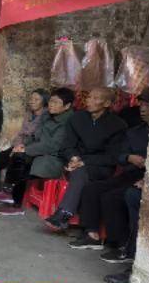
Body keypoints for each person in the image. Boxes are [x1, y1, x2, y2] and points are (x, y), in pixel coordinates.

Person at [68, 86, 149, 252]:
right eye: (142, 104)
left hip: (146, 178)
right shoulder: (135, 132)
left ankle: (120, 244)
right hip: (130, 173)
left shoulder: (120, 125)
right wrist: (128, 158)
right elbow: (119, 155)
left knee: (112, 197)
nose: (142, 109)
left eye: (148, 105)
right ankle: (92, 234)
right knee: (92, 189)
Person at [44, 87, 128, 231]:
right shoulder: (77, 118)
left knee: (80, 171)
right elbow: (67, 145)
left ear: (107, 103)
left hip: (100, 167)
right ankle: (64, 214)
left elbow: (112, 157)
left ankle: (64, 213)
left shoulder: (118, 125)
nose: (89, 101)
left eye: (96, 98)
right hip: (74, 162)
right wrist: (73, 157)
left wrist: (84, 162)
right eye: (89, 97)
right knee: (78, 170)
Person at [0, 88, 75, 215]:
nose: (51, 105)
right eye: (51, 101)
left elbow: (52, 145)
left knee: (21, 163)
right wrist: (22, 145)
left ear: (67, 106)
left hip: (53, 159)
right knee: (17, 157)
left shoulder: (67, 123)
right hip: (39, 152)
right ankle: (10, 195)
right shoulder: (47, 116)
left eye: (56, 102)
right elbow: (34, 136)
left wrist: (26, 149)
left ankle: (13, 200)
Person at [0, 89, 48, 199]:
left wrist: (22, 146)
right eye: (31, 98)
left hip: (30, 148)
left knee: (15, 159)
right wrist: (16, 145)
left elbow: (35, 137)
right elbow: (21, 133)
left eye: (36, 99)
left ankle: (8, 192)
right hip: (19, 145)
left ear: (44, 102)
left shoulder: (45, 117)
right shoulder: (28, 114)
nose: (32, 101)